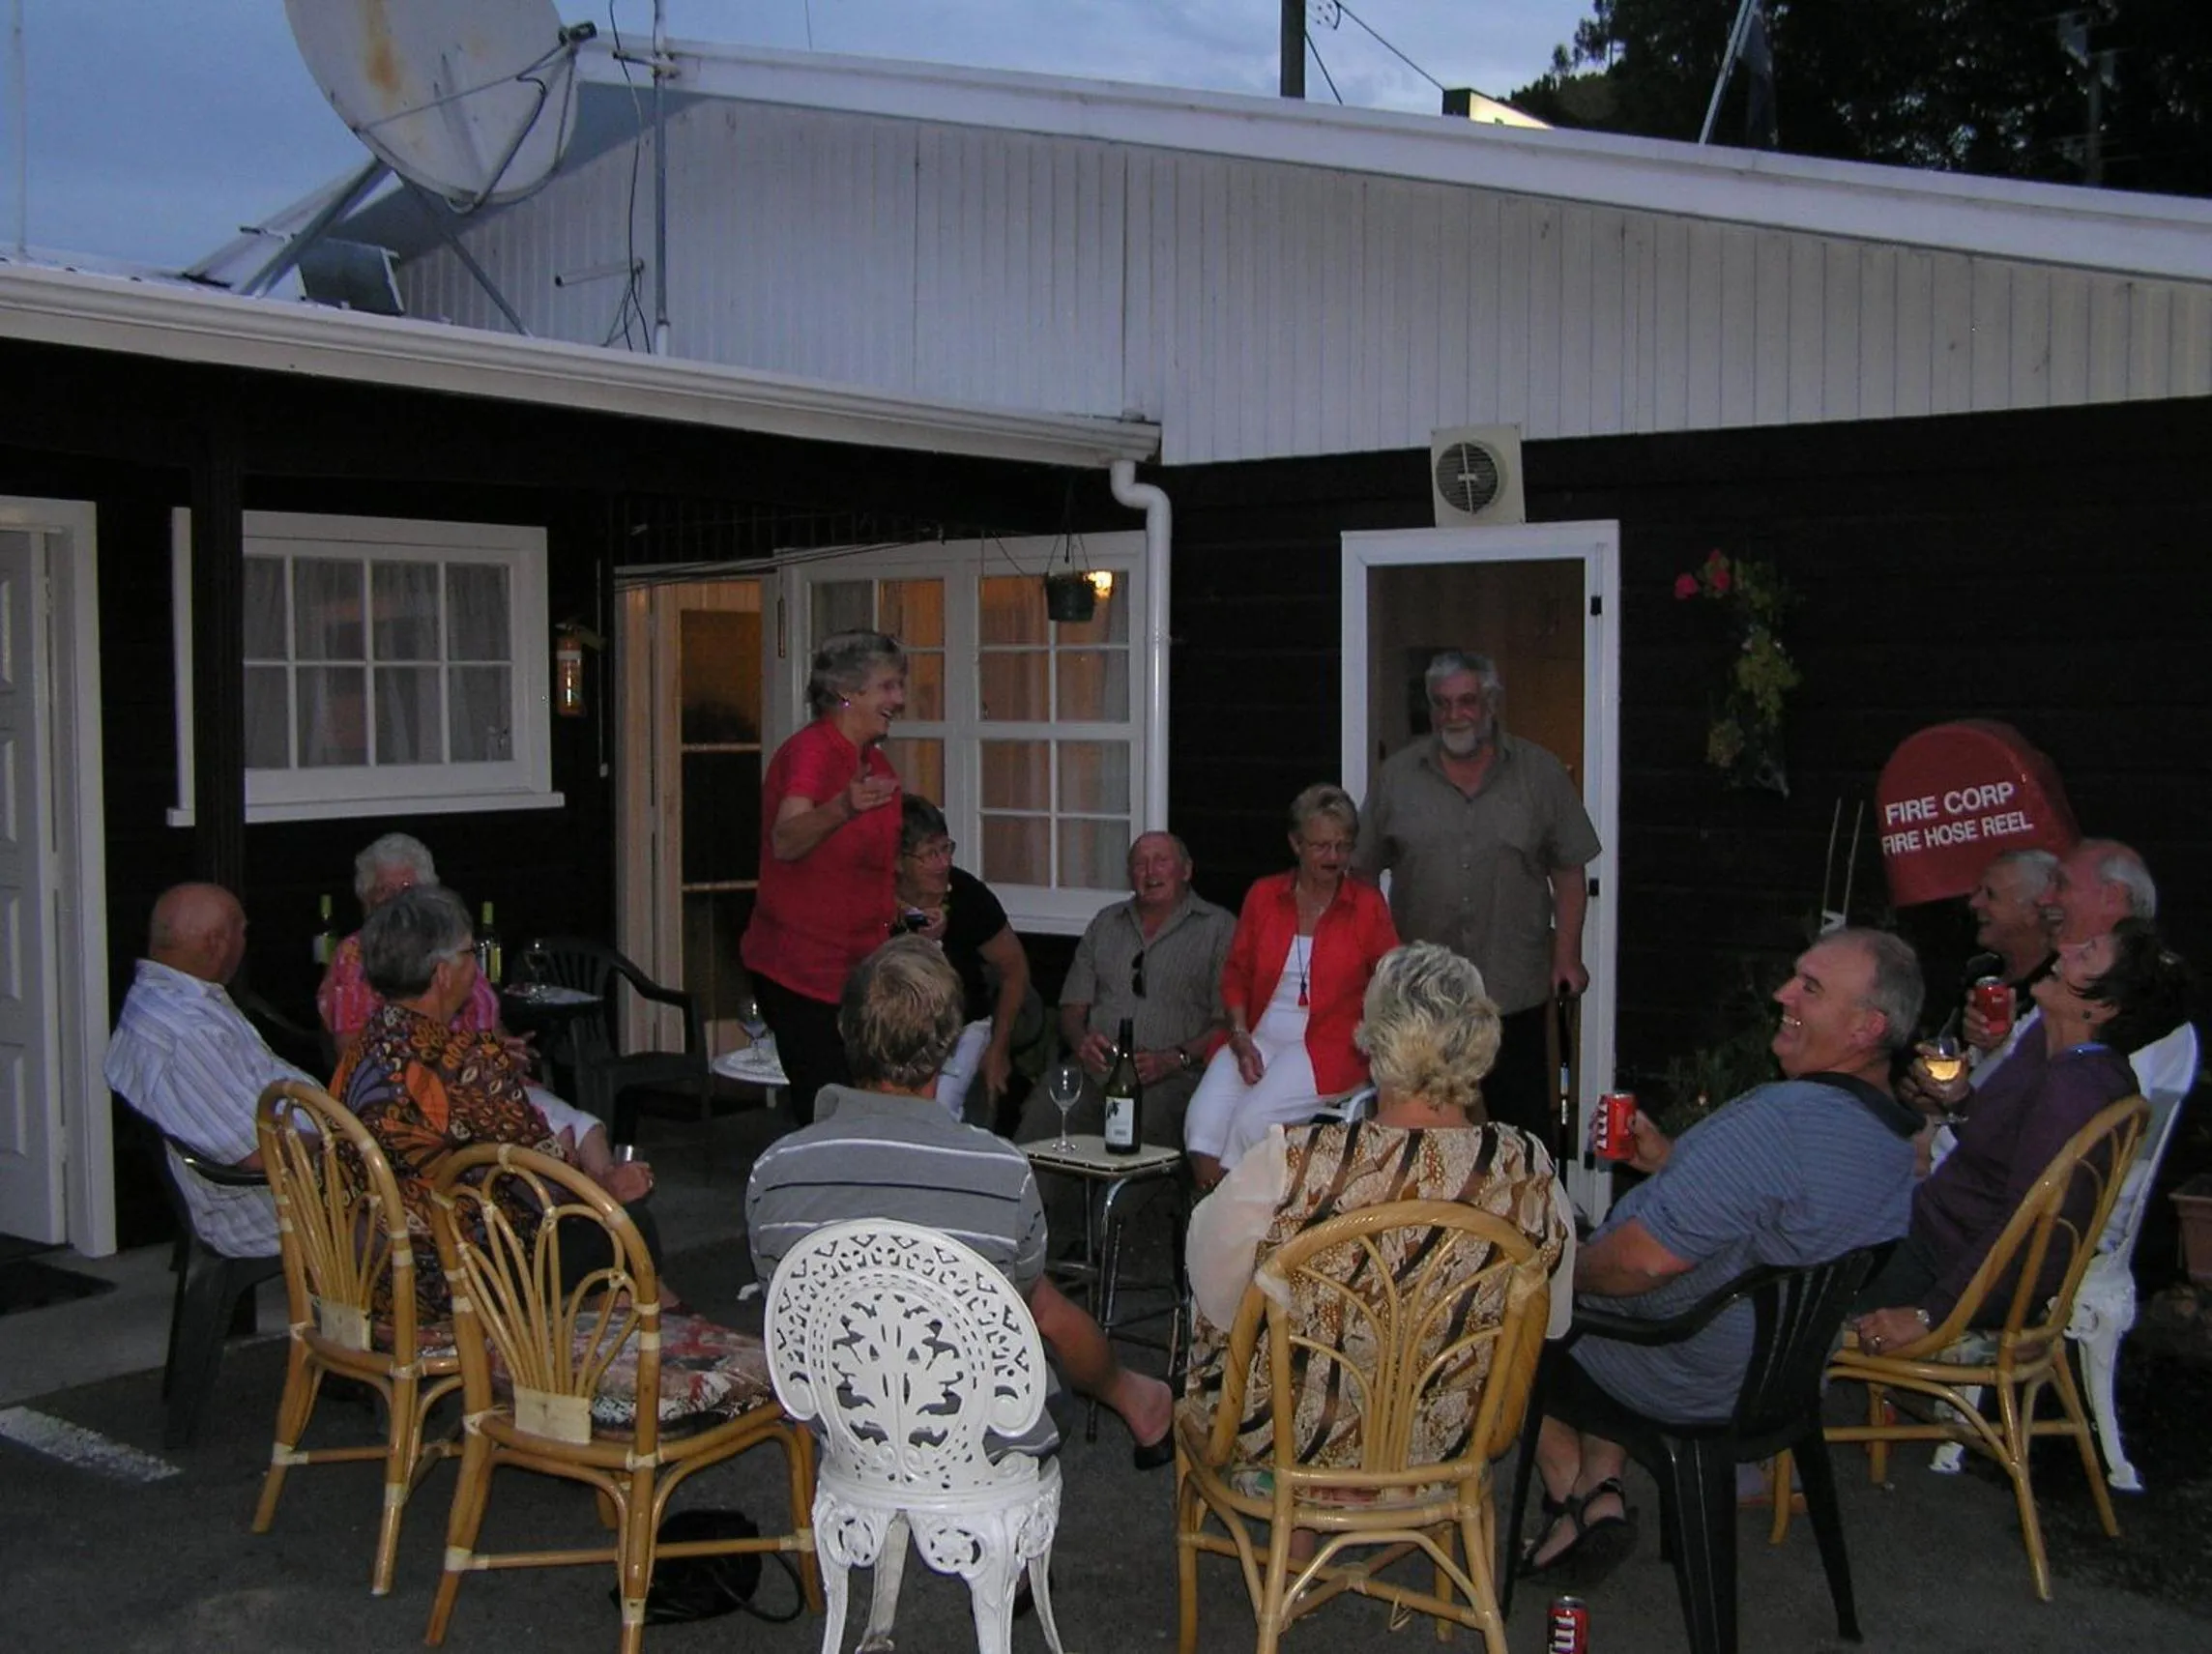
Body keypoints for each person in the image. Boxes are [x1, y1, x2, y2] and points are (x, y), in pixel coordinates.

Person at [1522, 929, 1924, 1580]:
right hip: (1780, 1375)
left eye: (1811, 988)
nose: (1783, 994)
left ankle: (1572, 1484)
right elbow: (1774, 1217)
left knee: (1489, 1299)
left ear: (1865, 1027)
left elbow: (1642, 1265)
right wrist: (1669, 1162)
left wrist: (1558, 1274)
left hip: (1684, 1362)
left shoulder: (1782, 1121)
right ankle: (1601, 1487)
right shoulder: (1888, 1142)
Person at [745, 937, 1176, 1466]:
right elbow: (1030, 1309)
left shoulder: (775, 1172)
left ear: (843, 1029)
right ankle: (1134, 1396)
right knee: (1038, 1307)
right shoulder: (999, 1171)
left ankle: (1134, 1397)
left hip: (840, 1428)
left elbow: (782, 1304)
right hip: (976, 1439)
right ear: (949, 1045)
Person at [1183, 943, 1575, 1483]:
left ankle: (1309, 1517)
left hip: (1297, 1446)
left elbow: (1211, 1286)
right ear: (1481, 1040)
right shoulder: (1527, 1168)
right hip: (1449, 1444)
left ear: (1373, 1040)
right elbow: (1548, 1322)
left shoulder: (1294, 1163)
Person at [1858, 920, 2190, 1352]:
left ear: (2104, 1006)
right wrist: (1960, 1099)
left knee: (1788, 1284)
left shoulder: (2079, 1088)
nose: (2064, 948)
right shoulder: (2048, 1045)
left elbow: (2032, 1227)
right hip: (1918, 1227)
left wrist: (1930, 1314)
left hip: (1936, 1267)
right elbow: (2007, 1145)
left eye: (2085, 954)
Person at [332, 885, 657, 1322]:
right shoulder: (466, 1063)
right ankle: (588, 1349)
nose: (477, 967)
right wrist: (612, 1187)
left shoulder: (362, 1049)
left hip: (367, 1273)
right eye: (471, 954)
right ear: (443, 973)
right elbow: (554, 1185)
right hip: (450, 1278)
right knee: (630, 1227)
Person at [1353, 651, 1601, 1143]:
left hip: (1512, 983)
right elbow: (1361, 874)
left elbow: (1570, 871)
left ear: (1490, 703)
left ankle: (1526, 1194)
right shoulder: (1397, 778)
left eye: (1466, 701)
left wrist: (1567, 956)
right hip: (1423, 995)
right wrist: (1374, 959)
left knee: (1521, 1128)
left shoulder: (1539, 773)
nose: (1454, 715)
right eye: (1441, 703)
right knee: (1423, 1128)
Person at [1184, 785, 1398, 1187]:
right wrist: (1240, 1036)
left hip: (1330, 1045)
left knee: (1253, 1123)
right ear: (1296, 844)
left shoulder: (1366, 905)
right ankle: (1214, 1211)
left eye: (1343, 846)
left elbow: (1392, 977)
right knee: (1203, 1123)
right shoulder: (1265, 896)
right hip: (1257, 1032)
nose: (1333, 857)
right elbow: (1236, 973)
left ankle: (1241, 1218)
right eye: (1321, 846)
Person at [740, 629, 907, 1124]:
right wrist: (841, 808)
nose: (899, 699)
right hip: (803, 972)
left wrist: (908, 913)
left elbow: (870, 868)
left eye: (899, 685)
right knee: (828, 1113)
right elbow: (785, 840)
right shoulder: (813, 751)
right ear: (846, 692)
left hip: (860, 971)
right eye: (888, 686)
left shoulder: (874, 761)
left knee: (867, 1109)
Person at [103, 884, 318, 1259]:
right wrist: (346, 1141)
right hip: (265, 1204)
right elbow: (258, 1155)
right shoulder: (185, 1031)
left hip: (287, 1170)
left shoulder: (170, 995)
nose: (245, 943)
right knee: (420, 1193)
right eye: (242, 931)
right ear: (216, 942)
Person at [1035, 829, 1234, 1148]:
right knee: (1043, 1118)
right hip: (1097, 1069)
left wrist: (1175, 1058)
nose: (1150, 872)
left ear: (1186, 870)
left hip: (1171, 1077)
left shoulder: (1219, 928)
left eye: (1161, 861)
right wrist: (1081, 1042)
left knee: (1143, 1132)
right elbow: (1072, 1007)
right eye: (1140, 864)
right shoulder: (1106, 922)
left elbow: (1227, 1022)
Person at [893, 796, 1030, 1126]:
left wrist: (998, 1048)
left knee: (938, 1112)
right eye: (930, 854)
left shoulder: (968, 896)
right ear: (897, 861)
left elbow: (1014, 968)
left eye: (946, 849)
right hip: (896, 1030)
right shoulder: (876, 899)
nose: (943, 863)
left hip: (964, 1027)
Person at [317, 833, 500, 1056]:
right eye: (384, 889)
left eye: (406, 887)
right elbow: (353, 1052)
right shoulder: (357, 953)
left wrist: (504, 1050)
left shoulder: (452, 944)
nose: (397, 897)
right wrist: (466, 1060)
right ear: (366, 900)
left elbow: (486, 1013)